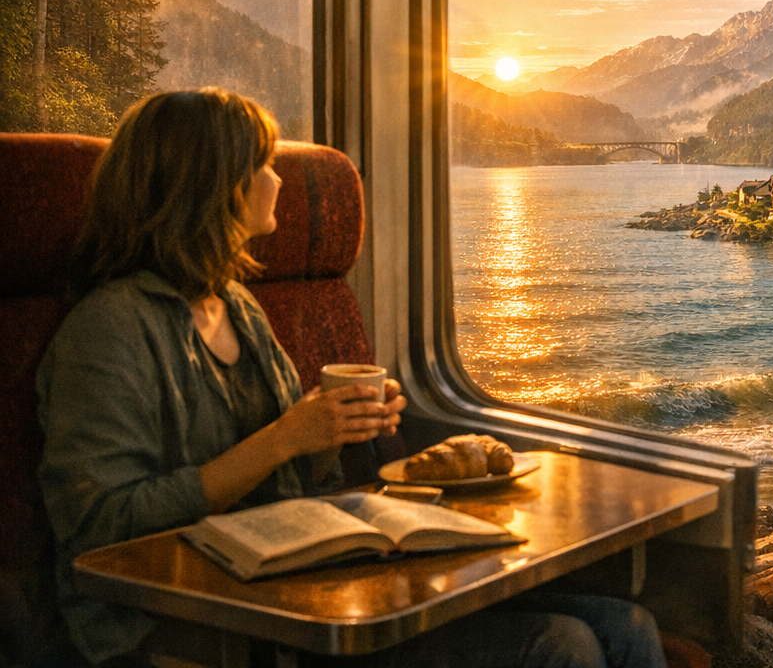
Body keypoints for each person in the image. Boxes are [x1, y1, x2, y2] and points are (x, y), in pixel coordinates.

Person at [37, 89, 665, 668]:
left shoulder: (236, 306)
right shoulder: (108, 331)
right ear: (213, 187)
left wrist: (335, 429)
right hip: (191, 627)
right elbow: (101, 527)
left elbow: (303, 480)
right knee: (561, 645)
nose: (279, 178)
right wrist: (286, 436)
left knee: (627, 625)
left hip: (294, 576)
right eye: (262, 163)